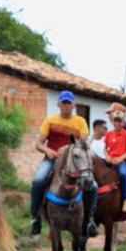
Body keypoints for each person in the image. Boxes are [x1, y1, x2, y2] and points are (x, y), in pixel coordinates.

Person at [29, 91, 92, 237]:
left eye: (69, 103)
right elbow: (38, 144)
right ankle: (35, 219)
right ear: (58, 105)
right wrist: (48, 150)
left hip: (74, 162)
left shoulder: (80, 122)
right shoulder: (50, 121)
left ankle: (89, 221)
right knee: (38, 181)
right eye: (63, 102)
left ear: (74, 105)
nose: (66, 105)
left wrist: (68, 148)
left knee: (92, 185)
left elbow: (83, 144)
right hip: (52, 159)